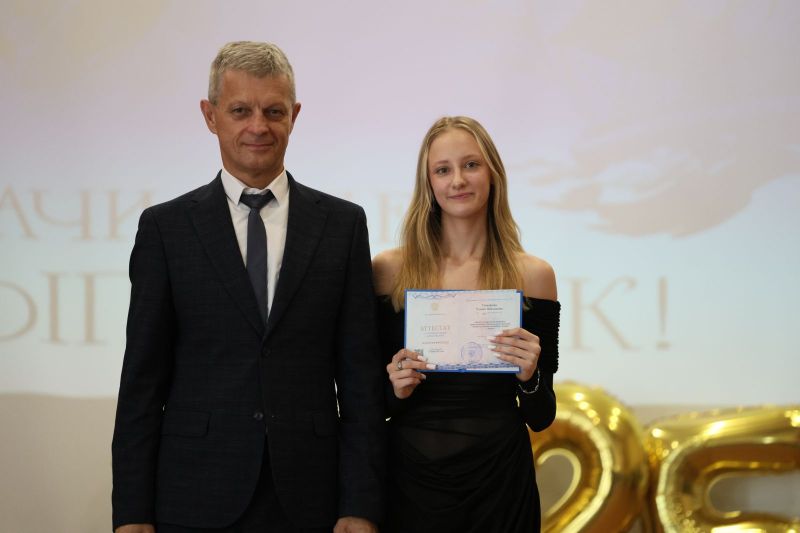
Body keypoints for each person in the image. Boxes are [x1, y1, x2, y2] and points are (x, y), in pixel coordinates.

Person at [112, 41, 384, 533]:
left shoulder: (342, 225)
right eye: (240, 110)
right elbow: (141, 384)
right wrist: (132, 516)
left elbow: (360, 379)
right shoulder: (166, 229)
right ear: (210, 115)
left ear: (294, 116)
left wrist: (359, 504)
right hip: (194, 496)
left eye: (273, 111)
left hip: (312, 498)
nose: (258, 126)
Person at [372, 116, 560, 532]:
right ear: (429, 183)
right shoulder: (389, 271)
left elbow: (542, 415)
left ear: (492, 174)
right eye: (443, 170)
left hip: (500, 483)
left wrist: (529, 376)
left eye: (471, 165)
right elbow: (370, 405)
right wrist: (395, 387)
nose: (457, 180)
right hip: (410, 481)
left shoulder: (533, 276)